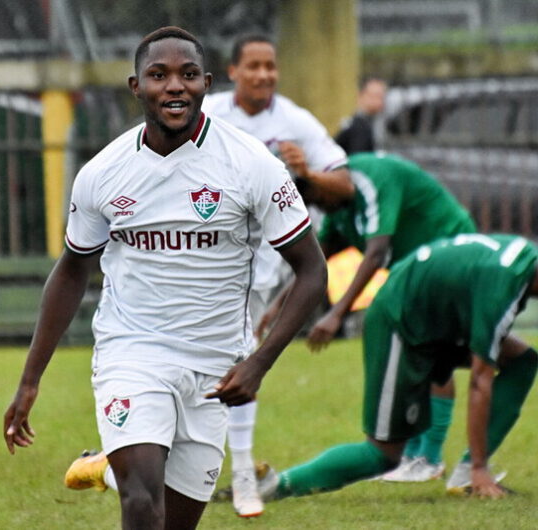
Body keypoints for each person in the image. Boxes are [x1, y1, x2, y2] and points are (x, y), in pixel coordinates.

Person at [3, 26, 327, 530]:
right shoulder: (103, 173)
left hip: (214, 363)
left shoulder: (251, 165)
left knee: (173, 520)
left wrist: (259, 363)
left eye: (188, 75)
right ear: (137, 86)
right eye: (159, 75)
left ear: (207, 84)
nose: (174, 86)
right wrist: (29, 380)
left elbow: (312, 270)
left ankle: (109, 465)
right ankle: (122, 468)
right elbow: (71, 270)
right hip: (132, 351)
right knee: (140, 500)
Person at [256, 233, 538, 501]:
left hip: (439, 319)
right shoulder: (502, 284)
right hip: (400, 321)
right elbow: (480, 380)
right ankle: (278, 484)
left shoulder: (525, 259)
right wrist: (481, 468)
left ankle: (464, 472)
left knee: (523, 361)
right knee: (383, 454)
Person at [200, 34, 348, 517]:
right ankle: (128, 459)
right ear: (233, 71)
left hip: (261, 271)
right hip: (201, 262)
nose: (264, 74)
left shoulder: (295, 121)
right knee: (193, 365)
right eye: (254, 66)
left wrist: (305, 174)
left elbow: (341, 184)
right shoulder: (209, 113)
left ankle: (241, 471)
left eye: (271, 65)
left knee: (241, 364)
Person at [261, 152, 477, 483]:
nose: (318, 209)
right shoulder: (341, 209)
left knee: (434, 352)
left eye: (315, 199)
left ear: (322, 182)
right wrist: (276, 306)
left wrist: (336, 313)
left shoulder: (373, 180)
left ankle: (428, 459)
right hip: (415, 274)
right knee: (415, 355)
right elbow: (316, 260)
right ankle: (415, 456)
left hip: (450, 256)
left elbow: (376, 251)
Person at [334, 77, 387, 155]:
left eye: (382, 97)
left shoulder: (359, 122)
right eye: (375, 96)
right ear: (360, 96)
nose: (379, 101)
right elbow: (358, 162)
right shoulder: (360, 127)